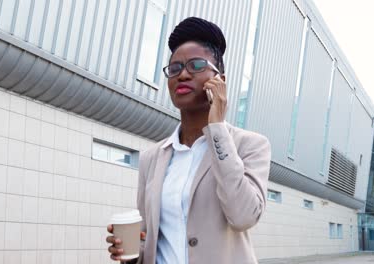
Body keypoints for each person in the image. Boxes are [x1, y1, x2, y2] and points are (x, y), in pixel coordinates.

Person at [106, 17, 271, 264]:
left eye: (195, 65)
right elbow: (148, 238)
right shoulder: (152, 157)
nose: (182, 74)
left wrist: (216, 127)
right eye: (174, 68)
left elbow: (243, 216)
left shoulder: (250, 145)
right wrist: (130, 254)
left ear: (220, 81)